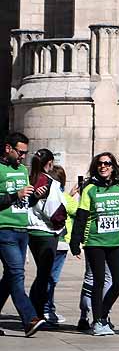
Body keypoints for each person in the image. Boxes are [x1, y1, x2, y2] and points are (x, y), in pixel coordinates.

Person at [70, 152, 119, 336]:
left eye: (107, 163)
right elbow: (81, 216)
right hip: (95, 241)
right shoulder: (90, 188)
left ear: (113, 166)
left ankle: (103, 314)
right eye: (100, 164)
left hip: (116, 241)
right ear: (96, 167)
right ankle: (98, 322)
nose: (103, 166)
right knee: (98, 281)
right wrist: (75, 242)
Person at [0, 131, 44, 337]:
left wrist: (34, 197)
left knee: (9, 277)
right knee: (17, 273)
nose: (23, 156)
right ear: (8, 148)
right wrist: (14, 195)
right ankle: (30, 318)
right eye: (20, 152)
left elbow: (25, 203)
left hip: (22, 229)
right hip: (4, 229)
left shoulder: (23, 171)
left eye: (25, 153)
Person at [27, 149, 65, 325]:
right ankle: (37, 313)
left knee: (41, 273)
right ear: (49, 163)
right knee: (44, 275)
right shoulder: (50, 182)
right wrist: (61, 224)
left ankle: (33, 310)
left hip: (31, 231)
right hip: (47, 232)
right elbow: (56, 211)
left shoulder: (28, 179)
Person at [44, 165, 74, 324]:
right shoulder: (64, 197)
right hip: (60, 243)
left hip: (44, 240)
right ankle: (47, 309)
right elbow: (77, 209)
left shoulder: (46, 195)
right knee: (52, 278)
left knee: (44, 276)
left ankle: (45, 308)